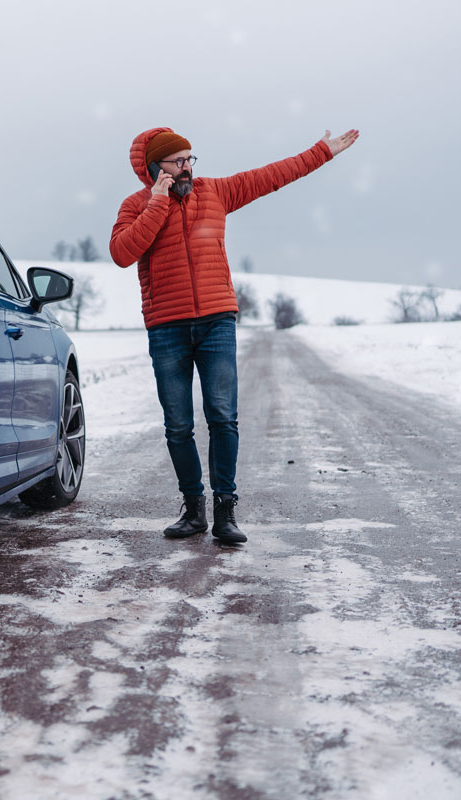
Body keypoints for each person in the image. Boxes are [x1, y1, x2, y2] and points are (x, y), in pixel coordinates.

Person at [109, 126, 360, 545]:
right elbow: (122, 253)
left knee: (223, 416)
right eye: (178, 162)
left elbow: (273, 175)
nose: (188, 167)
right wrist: (156, 203)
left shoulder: (216, 192)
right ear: (157, 169)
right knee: (177, 425)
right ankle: (193, 510)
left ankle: (225, 511)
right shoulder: (136, 205)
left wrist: (322, 152)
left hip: (216, 320)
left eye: (191, 159)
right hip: (166, 326)